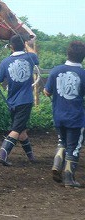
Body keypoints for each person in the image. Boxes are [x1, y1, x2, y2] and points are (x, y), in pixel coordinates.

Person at [43, 40, 85, 188]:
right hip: (76, 118)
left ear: (67, 53)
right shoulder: (83, 74)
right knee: (74, 147)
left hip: (58, 115)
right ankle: (69, 178)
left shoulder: (55, 70)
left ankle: (56, 164)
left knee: (62, 141)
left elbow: (46, 92)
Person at [0, 34, 39, 166]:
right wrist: (28, 44)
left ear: (11, 47)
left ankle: (31, 157)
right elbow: (35, 55)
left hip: (12, 101)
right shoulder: (31, 57)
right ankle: (2, 155)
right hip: (25, 100)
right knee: (16, 130)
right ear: (23, 44)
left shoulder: (5, 62)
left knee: (22, 131)